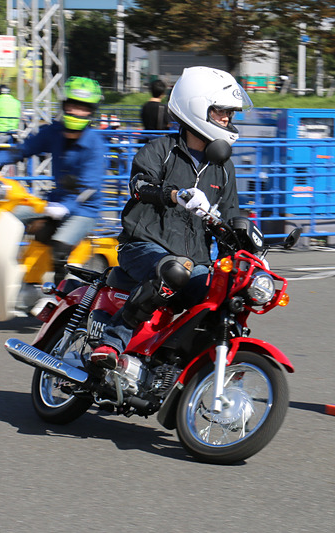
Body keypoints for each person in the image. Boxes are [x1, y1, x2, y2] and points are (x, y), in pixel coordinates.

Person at [90, 66, 252, 369]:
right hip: (143, 246)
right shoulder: (161, 150)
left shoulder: (223, 167)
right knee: (175, 269)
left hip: (195, 260)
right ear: (196, 108)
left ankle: (185, 366)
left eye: (231, 113)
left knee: (228, 293)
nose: (228, 119)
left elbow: (230, 214)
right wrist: (176, 194)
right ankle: (112, 342)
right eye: (221, 112)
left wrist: (247, 236)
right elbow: (139, 185)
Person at [0, 76, 106, 284]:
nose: (75, 111)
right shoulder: (54, 131)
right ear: (65, 105)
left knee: (60, 247)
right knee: (6, 218)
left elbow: (89, 188)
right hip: (53, 201)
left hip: (83, 210)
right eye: (72, 105)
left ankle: (62, 296)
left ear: (91, 111)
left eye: (83, 107)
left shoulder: (95, 145)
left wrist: (66, 206)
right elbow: (25, 149)